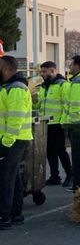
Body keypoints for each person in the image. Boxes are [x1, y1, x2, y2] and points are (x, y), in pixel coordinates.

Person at [0, 56, 33, 229]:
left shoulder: (16, 89)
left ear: (5, 69)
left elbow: (15, 119)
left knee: (5, 177)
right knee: (13, 175)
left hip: (14, 139)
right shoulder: (7, 87)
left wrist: (6, 142)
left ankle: (4, 217)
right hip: (12, 138)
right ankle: (15, 213)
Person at [36, 61, 72, 187]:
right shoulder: (43, 86)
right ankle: (54, 176)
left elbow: (67, 104)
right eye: (41, 72)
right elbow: (40, 105)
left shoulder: (63, 85)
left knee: (60, 150)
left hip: (58, 123)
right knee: (49, 151)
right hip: (45, 123)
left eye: (44, 71)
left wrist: (64, 122)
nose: (42, 74)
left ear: (52, 70)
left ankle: (70, 174)